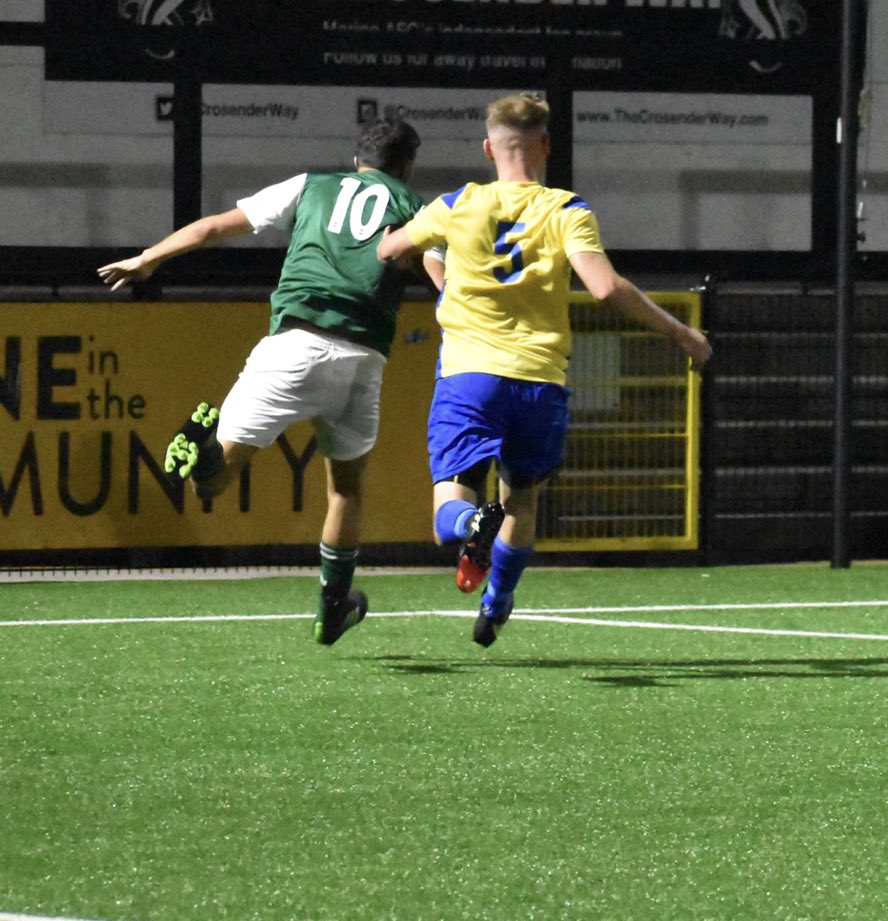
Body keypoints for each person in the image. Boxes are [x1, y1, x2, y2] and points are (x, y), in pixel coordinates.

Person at [377, 92, 712, 648]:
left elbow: (391, 249)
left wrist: (439, 267)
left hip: (470, 378)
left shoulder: (457, 203)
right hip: (540, 381)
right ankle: (499, 599)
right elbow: (605, 287)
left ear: (489, 148)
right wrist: (681, 334)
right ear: (546, 146)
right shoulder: (566, 209)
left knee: (449, 512)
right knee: (522, 499)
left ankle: (470, 529)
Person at [96, 117, 431, 647]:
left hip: (292, 347)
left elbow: (214, 226)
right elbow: (444, 279)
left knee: (212, 482)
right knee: (345, 488)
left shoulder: (310, 186)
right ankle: (333, 606)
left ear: (355, 158)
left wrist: (147, 259)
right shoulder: (416, 209)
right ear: (407, 167)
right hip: (363, 358)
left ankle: (205, 448)